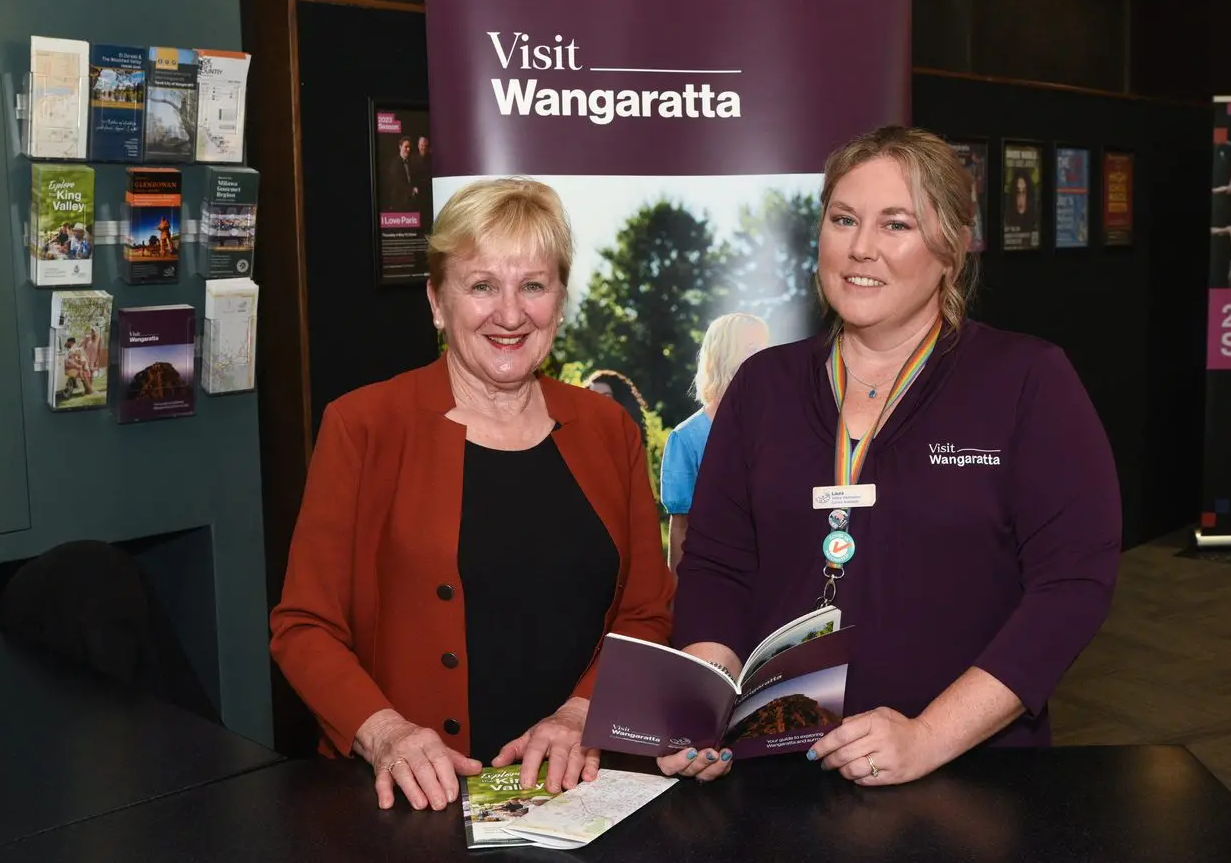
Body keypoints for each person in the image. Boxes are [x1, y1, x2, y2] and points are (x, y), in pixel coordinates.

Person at [660, 125, 1121, 786]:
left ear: (953, 248)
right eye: (843, 219)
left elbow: (1072, 586)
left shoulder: (1027, 381)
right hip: (776, 776)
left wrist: (929, 736)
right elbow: (717, 565)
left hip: (966, 776)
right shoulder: (763, 387)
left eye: (896, 224)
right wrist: (703, 702)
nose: (860, 247)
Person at [269, 177, 674, 813]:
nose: (510, 315)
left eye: (533, 286)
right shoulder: (364, 425)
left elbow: (646, 613)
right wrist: (385, 733)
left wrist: (580, 714)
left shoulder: (608, 430)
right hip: (414, 803)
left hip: (582, 794)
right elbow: (304, 627)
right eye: (482, 285)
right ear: (436, 301)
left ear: (560, 301)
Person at [660, 312, 769, 572]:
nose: (766, 356)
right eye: (753, 348)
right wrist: (678, 598)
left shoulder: (783, 427)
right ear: (724, 356)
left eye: (766, 347)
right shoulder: (686, 438)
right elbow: (680, 527)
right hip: (717, 582)